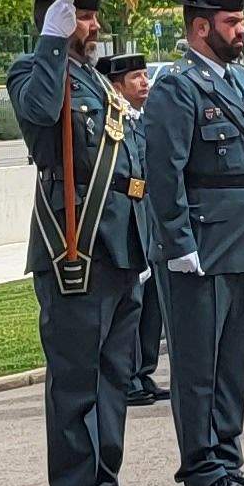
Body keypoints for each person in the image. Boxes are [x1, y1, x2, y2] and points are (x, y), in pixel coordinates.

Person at [11, 0, 151, 486]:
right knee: (75, 384)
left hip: (119, 246)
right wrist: (49, 40)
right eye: (80, 17)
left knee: (113, 379)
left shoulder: (94, 77)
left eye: (90, 18)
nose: (91, 28)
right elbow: (42, 117)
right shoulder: (33, 70)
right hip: (76, 243)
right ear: (55, 17)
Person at [141, 0, 244, 486]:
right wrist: (178, 243)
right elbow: (164, 172)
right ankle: (200, 466)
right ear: (201, 28)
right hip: (199, 243)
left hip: (238, 241)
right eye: (232, 24)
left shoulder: (239, 81)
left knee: (232, 357)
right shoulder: (178, 87)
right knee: (198, 362)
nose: (242, 32)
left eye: (241, 22)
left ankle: (227, 454)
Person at [100, 50, 166, 406]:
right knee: (134, 305)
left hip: (151, 218)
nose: (145, 83)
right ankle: (127, 377)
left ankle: (143, 372)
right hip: (130, 219)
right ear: (117, 86)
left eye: (145, 75)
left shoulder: (144, 120)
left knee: (151, 306)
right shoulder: (116, 124)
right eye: (136, 78)